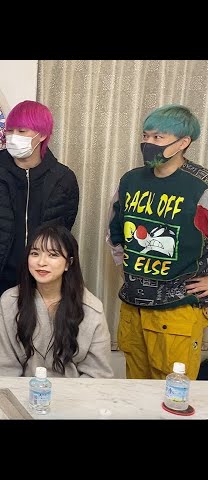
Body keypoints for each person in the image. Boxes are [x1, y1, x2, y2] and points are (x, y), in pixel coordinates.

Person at [107, 104, 208, 380]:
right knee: (136, 388)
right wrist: (128, 269)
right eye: (145, 135)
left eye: (158, 137)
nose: (148, 143)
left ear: (183, 143)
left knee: (172, 391)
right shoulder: (131, 180)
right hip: (133, 304)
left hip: (178, 308)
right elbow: (115, 230)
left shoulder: (201, 186)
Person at [0, 100, 79, 323]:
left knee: (44, 341)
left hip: (46, 281)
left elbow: (64, 228)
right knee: (1, 340)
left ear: (42, 135)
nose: (13, 136)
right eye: (10, 131)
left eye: (22, 131)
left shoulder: (63, 179)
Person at [0, 224, 113, 378]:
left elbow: (98, 374)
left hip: (76, 391)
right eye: (35, 253)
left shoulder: (91, 308)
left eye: (53, 255)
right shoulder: (10, 301)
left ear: (68, 263)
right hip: (24, 390)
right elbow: (5, 370)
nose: (41, 262)